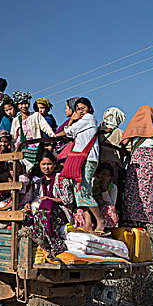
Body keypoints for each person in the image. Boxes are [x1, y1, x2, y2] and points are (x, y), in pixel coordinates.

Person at [55, 97, 106, 235]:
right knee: (79, 192)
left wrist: (71, 120)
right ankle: (88, 223)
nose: (81, 111)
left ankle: (100, 221)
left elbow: (69, 131)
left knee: (84, 190)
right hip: (81, 159)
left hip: (88, 159)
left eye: (83, 108)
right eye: (78, 109)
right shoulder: (84, 121)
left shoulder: (88, 119)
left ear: (89, 108)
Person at [120, 105, 153, 226]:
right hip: (150, 158)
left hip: (137, 157)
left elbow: (123, 142)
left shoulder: (134, 125)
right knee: (147, 190)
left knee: (134, 188)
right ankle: (144, 220)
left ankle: (132, 219)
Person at [24, 151, 74, 258]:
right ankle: (46, 241)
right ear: (40, 165)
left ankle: (52, 243)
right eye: (44, 164)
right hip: (42, 213)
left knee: (43, 212)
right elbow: (36, 199)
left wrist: (50, 199)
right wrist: (29, 204)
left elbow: (69, 199)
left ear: (54, 164)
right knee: (32, 214)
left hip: (60, 213)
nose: (46, 167)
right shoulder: (38, 183)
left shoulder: (62, 179)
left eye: (49, 164)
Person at [10, 91, 55, 170]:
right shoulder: (16, 120)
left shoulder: (36, 115)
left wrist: (53, 137)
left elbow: (46, 128)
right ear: (17, 105)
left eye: (26, 103)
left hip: (35, 147)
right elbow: (13, 136)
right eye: (21, 104)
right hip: (22, 149)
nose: (24, 106)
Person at [99, 106, 127, 184]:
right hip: (114, 162)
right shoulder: (120, 132)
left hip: (100, 161)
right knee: (112, 186)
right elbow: (128, 149)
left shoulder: (99, 129)